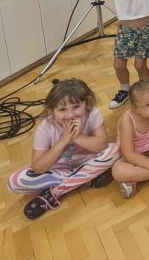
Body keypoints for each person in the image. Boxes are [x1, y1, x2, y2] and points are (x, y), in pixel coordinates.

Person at [7, 79, 119, 219]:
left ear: (86, 103)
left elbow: (102, 145)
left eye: (76, 107)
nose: (70, 115)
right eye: (62, 110)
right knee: (15, 181)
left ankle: (55, 192)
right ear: (52, 111)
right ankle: (86, 178)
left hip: (87, 160)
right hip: (59, 169)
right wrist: (63, 140)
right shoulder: (45, 128)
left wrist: (78, 137)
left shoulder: (92, 114)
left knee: (116, 149)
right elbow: (38, 168)